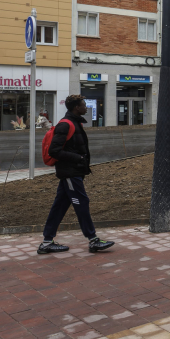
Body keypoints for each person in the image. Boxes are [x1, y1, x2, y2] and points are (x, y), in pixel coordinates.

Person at [39, 95, 114, 255]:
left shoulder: (74, 123)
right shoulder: (66, 125)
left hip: (73, 172)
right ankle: (93, 240)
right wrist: (78, 158)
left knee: (59, 207)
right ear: (75, 107)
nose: (86, 107)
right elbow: (54, 150)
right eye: (83, 105)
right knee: (81, 202)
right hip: (70, 173)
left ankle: (46, 243)